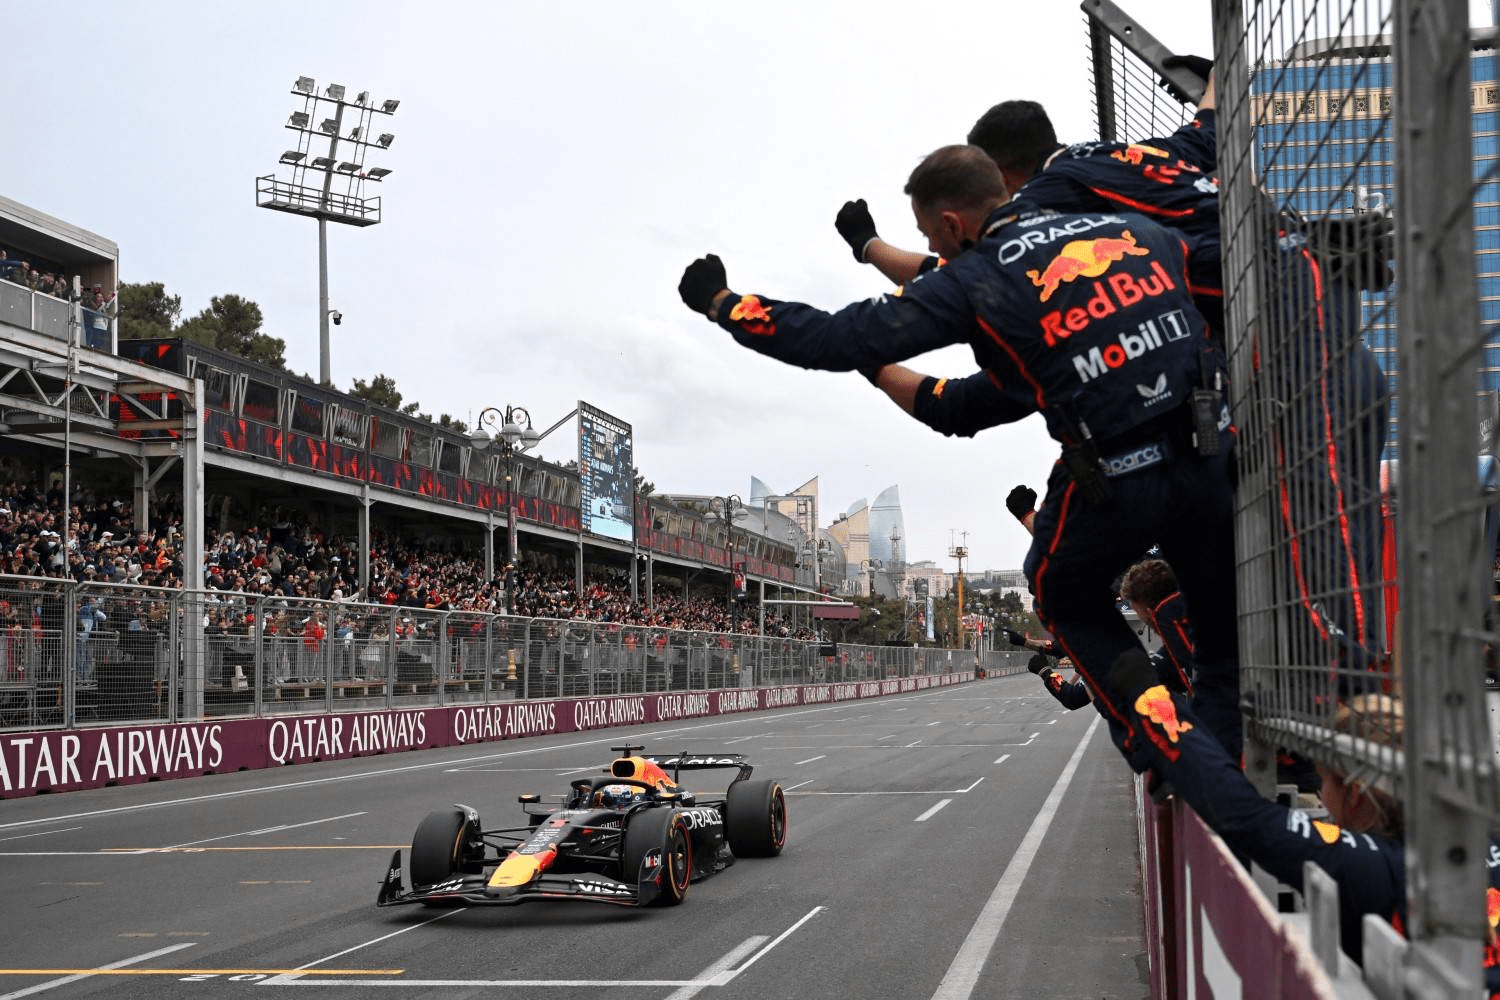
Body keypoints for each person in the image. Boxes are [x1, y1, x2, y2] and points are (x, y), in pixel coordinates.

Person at [678, 143, 1238, 774]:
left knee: (1059, 590)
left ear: (951, 225)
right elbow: (965, 406)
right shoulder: (1132, 230)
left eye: (930, 237)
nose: (936, 252)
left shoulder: (980, 278)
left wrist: (723, 304)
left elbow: (835, 339)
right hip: (1215, 454)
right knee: (1217, 645)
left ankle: (1164, 742)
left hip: (1121, 468)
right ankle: (1224, 761)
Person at [1110, 662, 1497, 987]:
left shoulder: (1378, 866)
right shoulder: (1486, 829)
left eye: (1325, 781)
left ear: (1356, 792)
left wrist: (1152, 701)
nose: (1323, 799)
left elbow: (1243, 816)